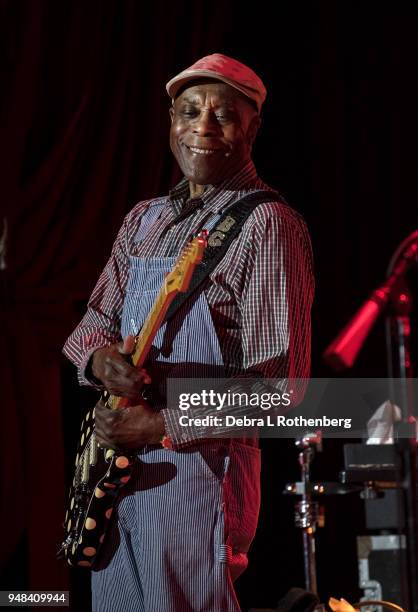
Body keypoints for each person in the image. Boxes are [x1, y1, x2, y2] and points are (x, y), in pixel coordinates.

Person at [63, 53, 314, 612]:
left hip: (198, 477)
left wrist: (160, 424)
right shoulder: (145, 218)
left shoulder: (268, 224)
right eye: (189, 111)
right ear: (171, 121)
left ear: (253, 128)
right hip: (117, 476)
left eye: (223, 115)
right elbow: (92, 324)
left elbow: (285, 391)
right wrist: (99, 361)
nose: (202, 126)